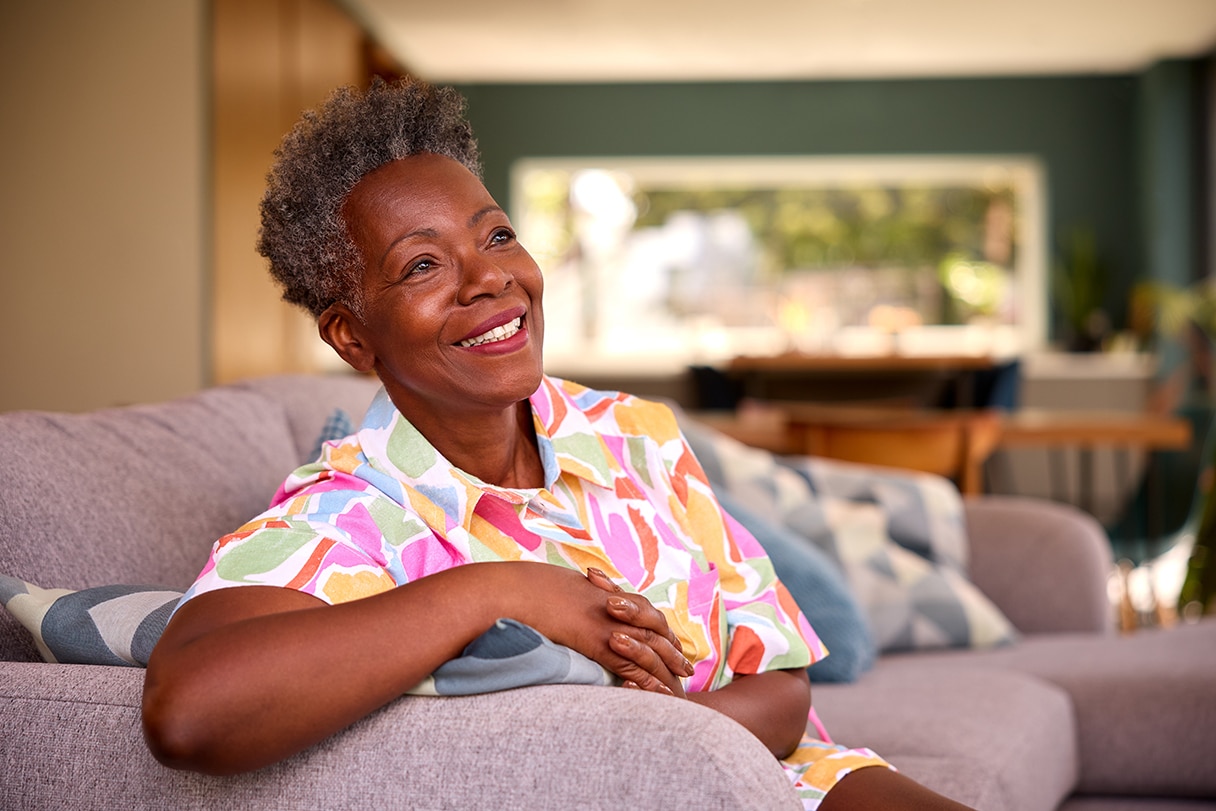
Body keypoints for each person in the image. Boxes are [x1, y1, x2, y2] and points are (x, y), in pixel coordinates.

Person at [141, 78, 974, 811]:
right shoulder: (353, 518)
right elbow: (190, 712)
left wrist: (677, 743)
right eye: (424, 265)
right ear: (352, 337)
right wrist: (500, 590)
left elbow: (784, 685)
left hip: (793, 779)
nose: (490, 277)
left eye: (496, 235)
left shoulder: (632, 435)